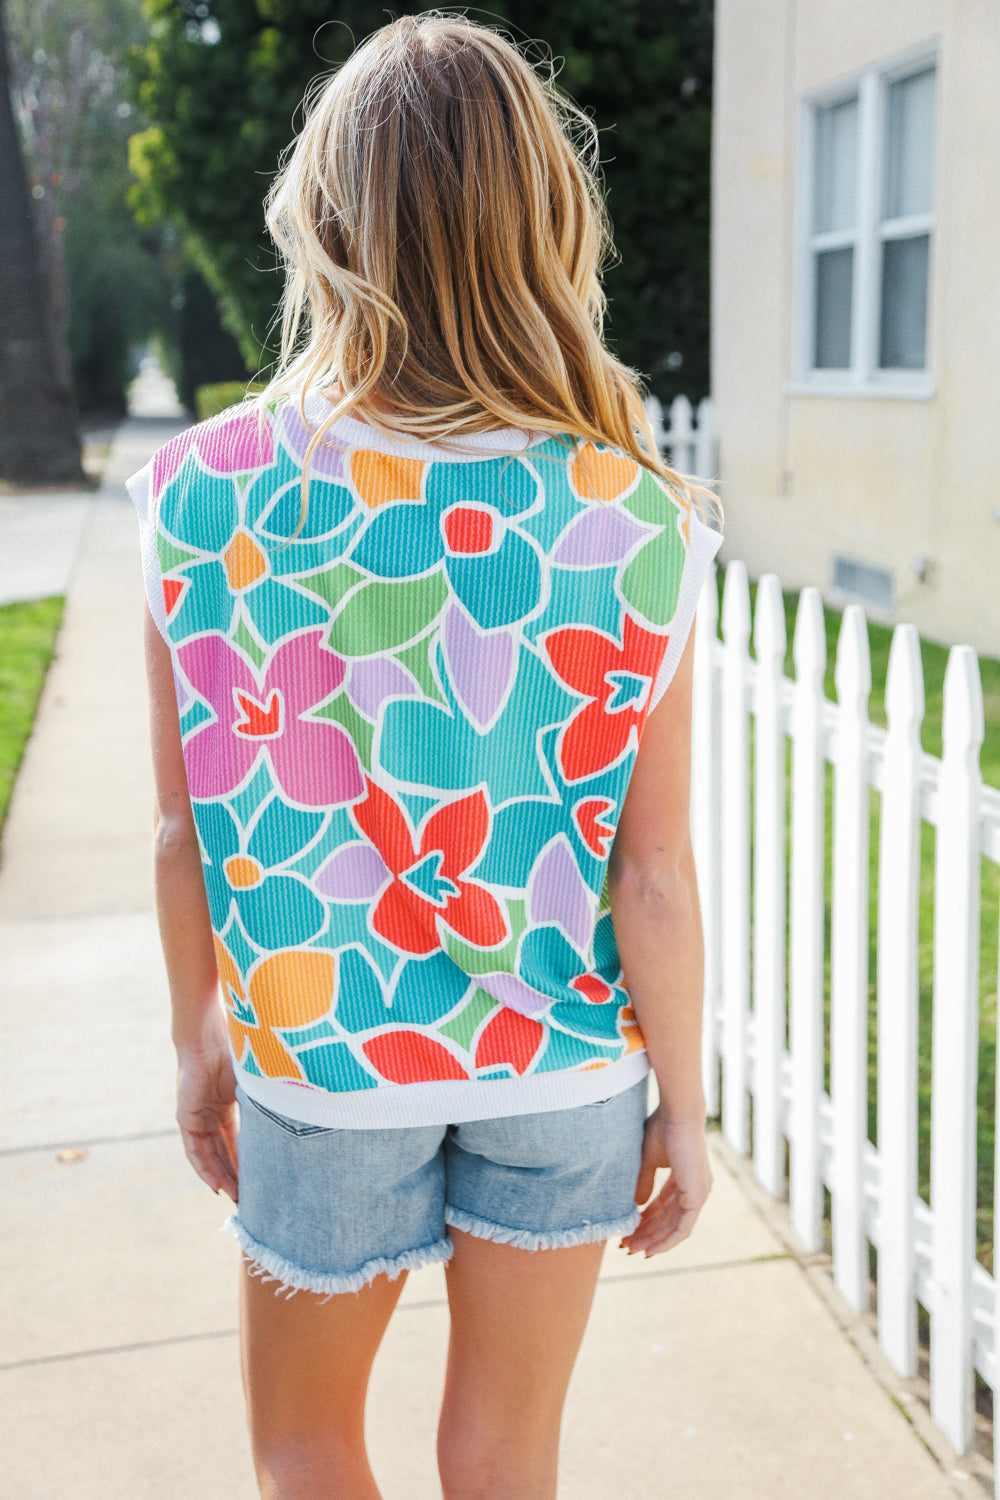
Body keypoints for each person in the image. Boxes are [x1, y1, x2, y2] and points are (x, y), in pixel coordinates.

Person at [128, 13, 723, 1498]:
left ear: (326, 222)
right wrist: (687, 1105)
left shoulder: (202, 497)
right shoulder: (637, 521)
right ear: (544, 222)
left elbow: (184, 833)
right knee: (507, 1456)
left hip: (326, 1060)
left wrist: (199, 1037)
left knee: (304, 1449)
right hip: (564, 1066)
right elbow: (652, 870)